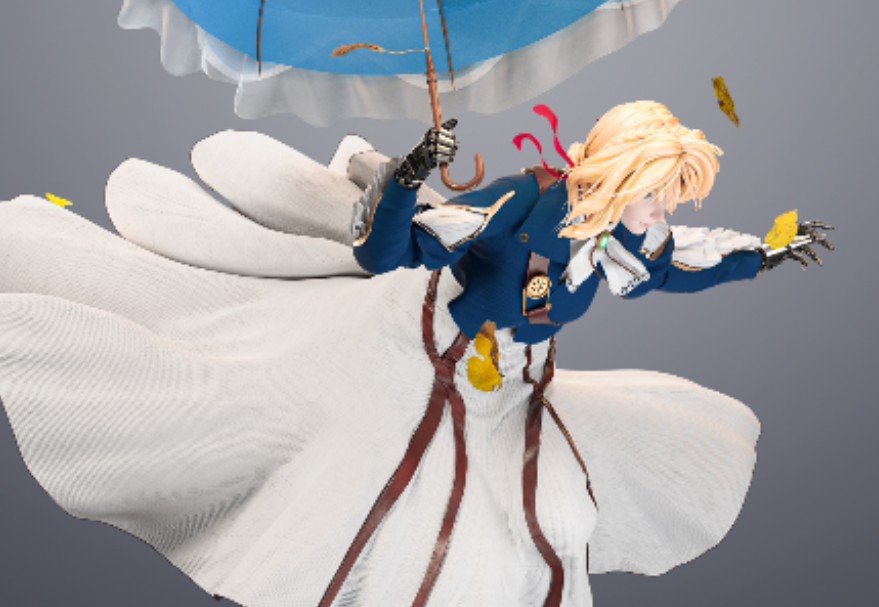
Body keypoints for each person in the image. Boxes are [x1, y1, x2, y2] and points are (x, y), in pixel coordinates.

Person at [0, 100, 830, 607]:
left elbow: (681, 264)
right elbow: (390, 251)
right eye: (657, 195)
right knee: (361, 502)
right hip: (422, 364)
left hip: (514, 394)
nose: (662, 213)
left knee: (538, 526)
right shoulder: (523, 202)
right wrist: (406, 177)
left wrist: (766, 253)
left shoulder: (623, 238)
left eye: (669, 201)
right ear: (618, 177)